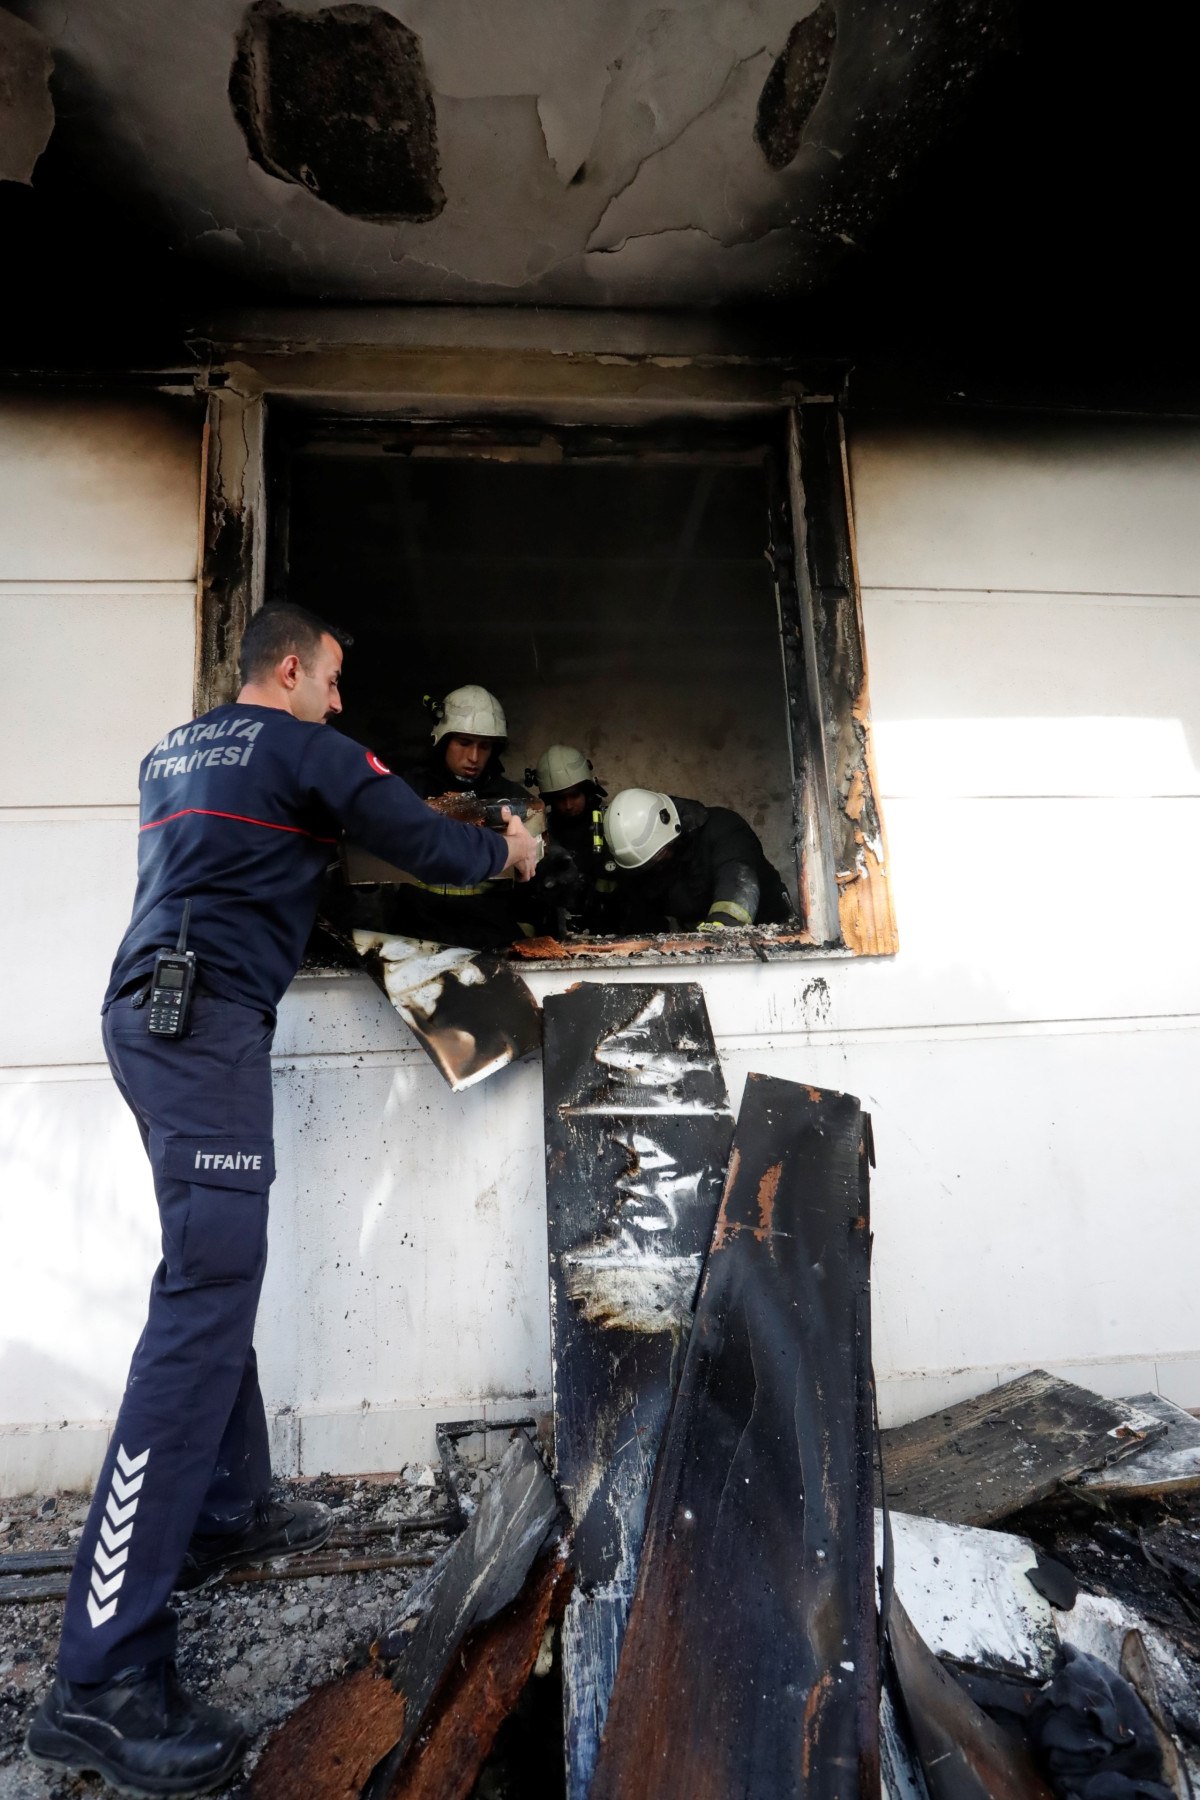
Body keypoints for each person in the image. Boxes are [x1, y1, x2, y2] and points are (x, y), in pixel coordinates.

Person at [26, 605, 538, 1797]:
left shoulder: (176, 750)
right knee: (199, 1302)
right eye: (337, 680)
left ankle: (227, 1509)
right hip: (199, 1024)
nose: (343, 703)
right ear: (294, 668)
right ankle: (100, 1679)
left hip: (157, 1015)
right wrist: (508, 852)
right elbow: (427, 846)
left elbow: (246, 862)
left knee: (216, 1271)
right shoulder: (306, 748)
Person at [349, 684, 539, 951]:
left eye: (484, 746)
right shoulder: (408, 791)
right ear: (443, 740)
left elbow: (536, 878)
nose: (473, 757)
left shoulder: (514, 801)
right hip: (417, 938)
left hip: (489, 940)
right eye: (464, 743)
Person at [603, 788, 792, 933]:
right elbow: (642, 917)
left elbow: (738, 888)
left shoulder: (724, 829)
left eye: (661, 854)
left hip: (772, 930)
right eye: (649, 864)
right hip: (703, 941)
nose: (658, 864)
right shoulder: (646, 868)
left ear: (671, 829)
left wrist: (717, 935)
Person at [528, 744, 619, 935]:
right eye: (560, 798)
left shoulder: (612, 823)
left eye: (574, 795)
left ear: (587, 790)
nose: (568, 805)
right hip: (556, 932)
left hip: (611, 928)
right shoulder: (541, 831)